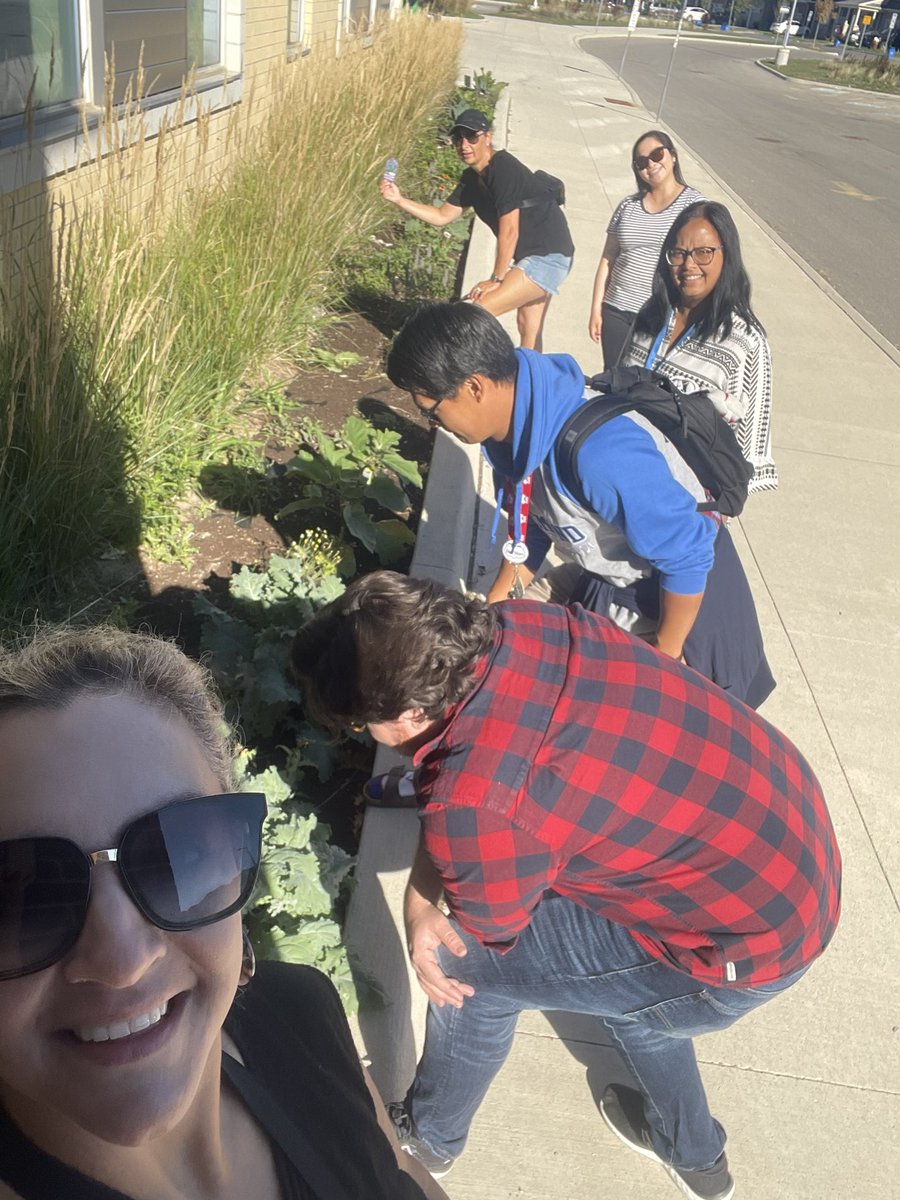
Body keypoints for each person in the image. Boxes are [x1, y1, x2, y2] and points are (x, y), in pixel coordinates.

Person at [290, 570, 842, 1200]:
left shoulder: (476, 803)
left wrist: (420, 907)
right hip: (790, 849)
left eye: (365, 725)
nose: (368, 738)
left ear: (415, 708)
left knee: (464, 968)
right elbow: (474, 789)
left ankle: (429, 1140)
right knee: (640, 1008)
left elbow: (490, 929)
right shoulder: (527, 624)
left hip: (741, 942)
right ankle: (698, 1159)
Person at [0, 625, 448, 1200]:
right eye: (19, 895)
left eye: (176, 854)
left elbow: (404, 1175)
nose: (122, 961)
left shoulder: (300, 1010)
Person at [385, 300, 774, 708]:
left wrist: (664, 660)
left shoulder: (599, 452)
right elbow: (532, 528)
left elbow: (688, 555)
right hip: (614, 582)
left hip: (683, 605)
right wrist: (487, 619)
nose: (434, 425)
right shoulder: (514, 433)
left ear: (474, 387)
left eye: (431, 411)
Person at [379, 108, 574, 350]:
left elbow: (510, 230)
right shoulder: (471, 179)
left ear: (487, 138)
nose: (464, 144)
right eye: (458, 138)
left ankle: (464, 374)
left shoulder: (503, 168)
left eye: (472, 137)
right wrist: (399, 200)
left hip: (548, 256)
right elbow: (442, 216)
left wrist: (496, 279)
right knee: (528, 329)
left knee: (479, 310)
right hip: (533, 256)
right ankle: (534, 385)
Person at [623, 199, 777, 493]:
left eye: (704, 253)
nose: (689, 265)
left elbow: (747, 460)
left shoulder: (745, 342)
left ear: (726, 255)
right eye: (678, 253)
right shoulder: (650, 318)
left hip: (686, 509)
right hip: (621, 484)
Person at [588, 130, 703, 369]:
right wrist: (597, 308)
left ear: (673, 156)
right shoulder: (627, 206)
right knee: (613, 380)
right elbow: (608, 257)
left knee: (645, 387)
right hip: (616, 310)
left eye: (657, 154)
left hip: (660, 313)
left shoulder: (693, 205)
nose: (650, 164)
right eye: (641, 162)